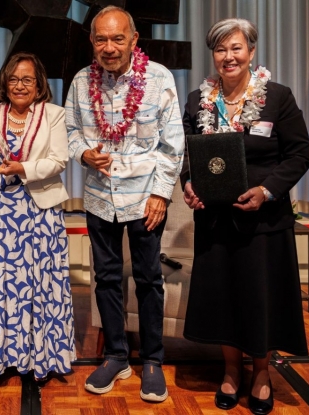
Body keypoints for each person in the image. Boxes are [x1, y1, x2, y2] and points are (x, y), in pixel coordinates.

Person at [181, 18, 309, 414]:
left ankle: (260, 372)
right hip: (215, 221)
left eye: (236, 48)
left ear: (251, 52)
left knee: (260, 299)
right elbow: (188, 156)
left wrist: (267, 190)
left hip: (263, 221)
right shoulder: (196, 100)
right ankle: (231, 371)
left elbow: (300, 154)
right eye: (221, 49)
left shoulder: (278, 97)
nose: (228, 56)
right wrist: (188, 183)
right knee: (224, 299)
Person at [65, 6, 184, 402]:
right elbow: (70, 131)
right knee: (106, 278)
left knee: (149, 279)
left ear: (134, 39)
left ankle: (152, 360)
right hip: (100, 198)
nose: (110, 47)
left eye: (118, 38)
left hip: (146, 198)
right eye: (102, 39)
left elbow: (172, 146)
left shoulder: (159, 78)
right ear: (92, 42)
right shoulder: (82, 82)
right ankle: (117, 356)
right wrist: (84, 155)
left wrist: (161, 194)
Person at [0, 52, 76, 382]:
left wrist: (23, 168)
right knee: (0, 284)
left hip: (38, 211)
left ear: (39, 84)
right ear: (5, 83)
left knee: (39, 285)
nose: (20, 85)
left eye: (27, 79)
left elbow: (59, 160)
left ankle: (40, 356)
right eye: (14, 79)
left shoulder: (54, 114)